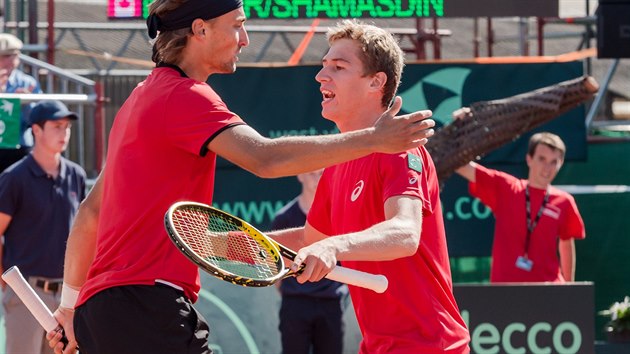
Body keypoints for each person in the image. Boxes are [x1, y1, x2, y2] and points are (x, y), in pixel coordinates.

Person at [46, 1, 436, 353]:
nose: (245, 39)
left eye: (337, 66)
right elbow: (263, 158)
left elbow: (89, 214)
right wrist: (374, 139)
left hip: (101, 314)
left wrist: (68, 307)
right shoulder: (185, 96)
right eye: (237, 25)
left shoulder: (139, 98)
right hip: (147, 308)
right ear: (200, 30)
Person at [268, 20, 470, 353]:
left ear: (376, 82)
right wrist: (236, 245)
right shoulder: (337, 162)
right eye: (323, 66)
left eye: (339, 66)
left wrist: (334, 247)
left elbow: (405, 233)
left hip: (432, 346)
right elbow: (310, 241)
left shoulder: (399, 149)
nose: (321, 76)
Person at [0, 100, 86, 354]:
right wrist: (10, 285)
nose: (64, 132)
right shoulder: (14, 178)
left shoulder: (77, 175)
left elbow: (84, 233)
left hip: (69, 298)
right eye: (56, 126)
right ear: (36, 130)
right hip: (26, 295)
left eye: (67, 127)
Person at [455, 132, 585, 283]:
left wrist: (570, 287)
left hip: (549, 288)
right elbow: (461, 166)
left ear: (560, 164)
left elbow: (566, 244)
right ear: (529, 159)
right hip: (506, 289)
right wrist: (462, 126)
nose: (547, 168)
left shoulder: (565, 201)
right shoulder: (507, 187)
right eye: (542, 159)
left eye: (553, 162)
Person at [271, 169, 348, 354]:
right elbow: (276, 267)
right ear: (300, 176)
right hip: (295, 304)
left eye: (321, 173)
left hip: (331, 303)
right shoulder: (284, 218)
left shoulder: (338, 214)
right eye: (312, 173)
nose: (317, 178)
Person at [0, 33, 44, 172]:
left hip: (19, 146)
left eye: (13, 55)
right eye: (4, 56)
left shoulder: (27, 83)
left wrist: (26, 103)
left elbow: (37, 119)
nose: (9, 61)